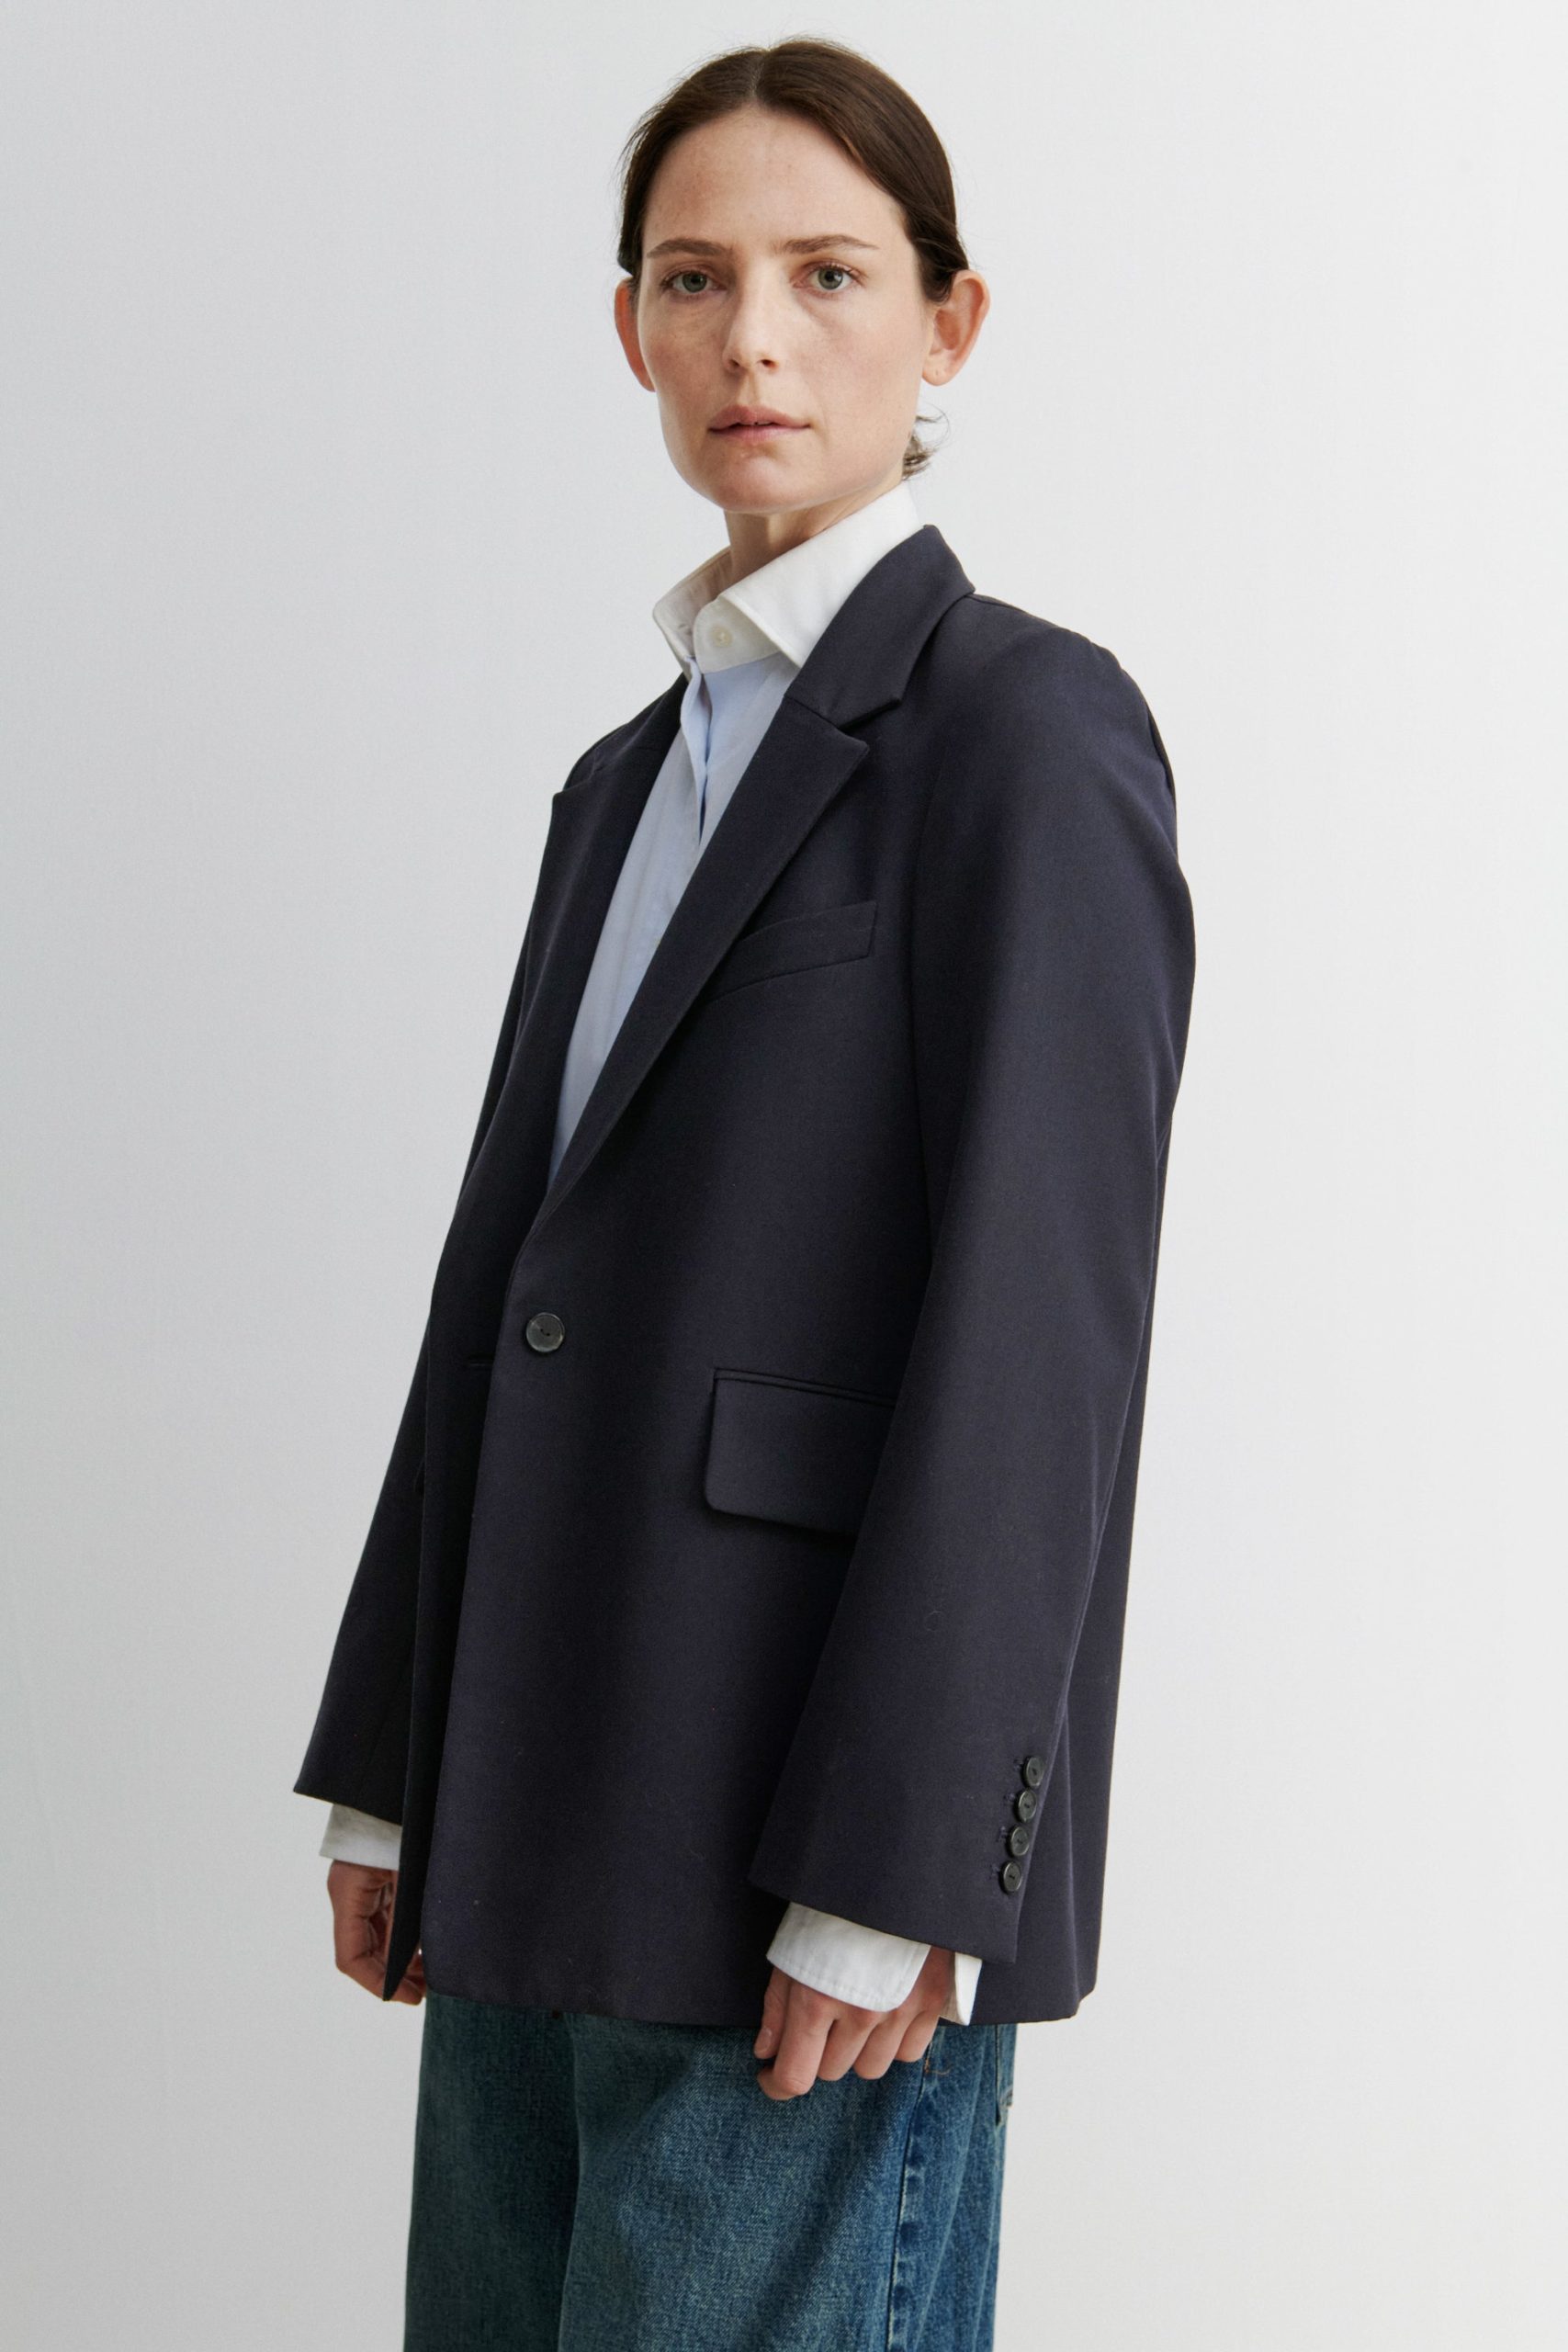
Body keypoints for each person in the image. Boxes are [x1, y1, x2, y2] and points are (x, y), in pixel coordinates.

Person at [294, 35, 1196, 2351]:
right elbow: (509, 1277)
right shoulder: (623, 777)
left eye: (826, 274)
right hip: (530, 1814)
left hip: (801, 1850)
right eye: (693, 280)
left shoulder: (1023, 731)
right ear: (631, 330)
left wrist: (901, 1865)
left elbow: (1040, 1335)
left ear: (946, 322)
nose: (753, 340)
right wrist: (393, 1764)